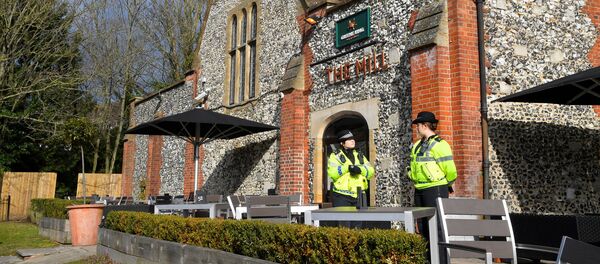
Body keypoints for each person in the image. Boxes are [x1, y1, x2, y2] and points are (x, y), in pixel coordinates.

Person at [409, 111, 457, 263]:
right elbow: (412, 167)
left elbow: (450, 170)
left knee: (436, 228)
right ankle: (427, 260)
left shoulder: (441, 145)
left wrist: (446, 184)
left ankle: (441, 261)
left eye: (418, 125)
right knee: (422, 227)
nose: (416, 128)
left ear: (424, 125)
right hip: (419, 188)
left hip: (435, 188)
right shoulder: (417, 145)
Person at [326, 129, 375, 207]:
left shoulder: (360, 155)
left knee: (359, 219)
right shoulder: (335, 156)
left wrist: (360, 170)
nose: (353, 141)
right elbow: (332, 173)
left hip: (359, 195)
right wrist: (347, 168)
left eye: (352, 139)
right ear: (342, 143)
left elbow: (371, 171)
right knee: (344, 219)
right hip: (342, 196)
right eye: (349, 139)